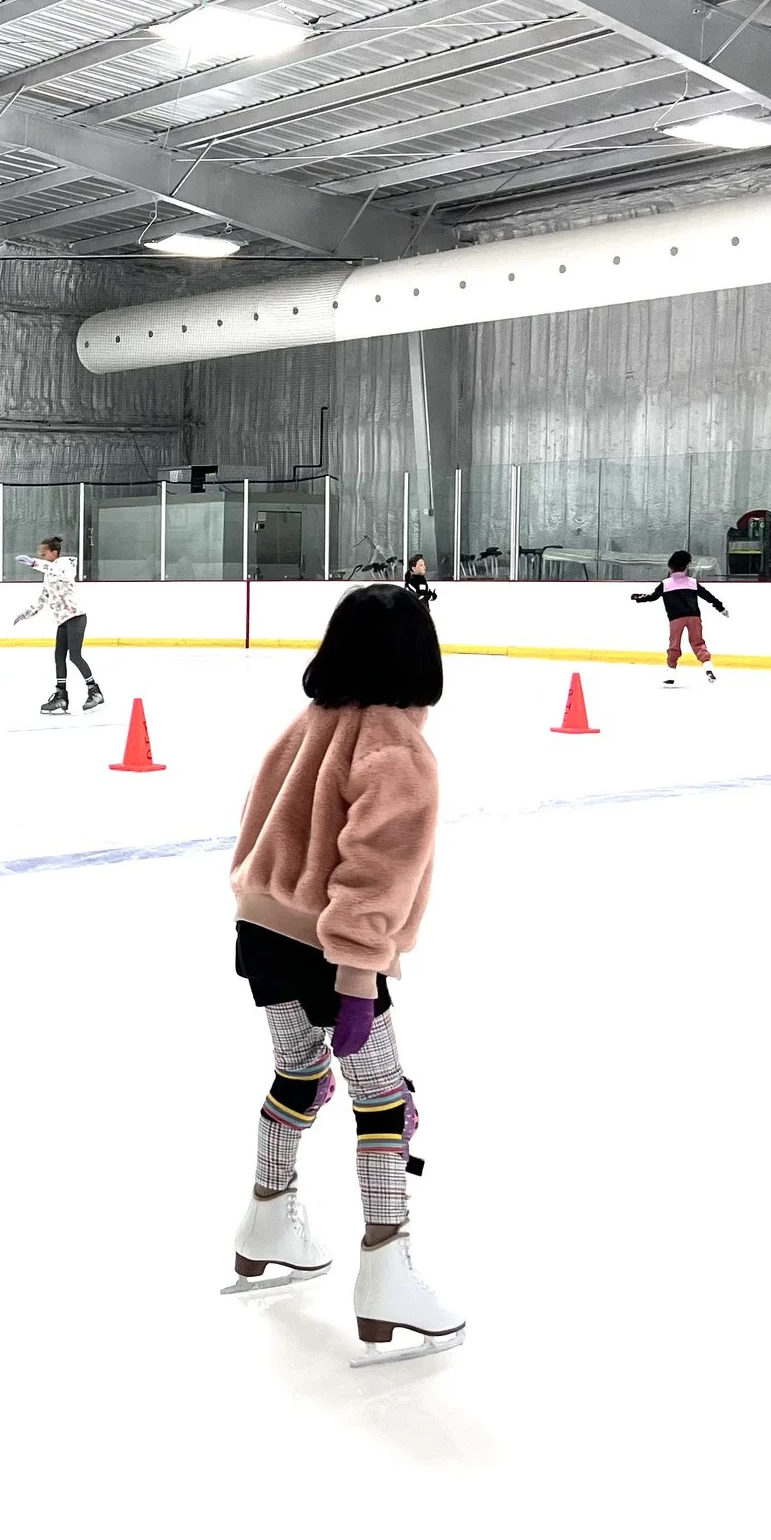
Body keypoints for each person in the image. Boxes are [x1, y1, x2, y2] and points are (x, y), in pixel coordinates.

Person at [224, 583, 461, 1366]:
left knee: (298, 1071)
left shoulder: (306, 724)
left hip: (262, 929)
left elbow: (256, 823)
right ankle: (387, 1269)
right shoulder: (398, 749)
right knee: (384, 1097)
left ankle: (266, 1221)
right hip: (333, 952)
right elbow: (374, 875)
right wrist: (359, 980)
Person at [16, 536, 102, 714]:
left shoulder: (66, 565)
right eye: (39, 554)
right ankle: (61, 696)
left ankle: (95, 691)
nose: (41, 556)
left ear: (54, 552)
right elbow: (43, 599)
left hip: (76, 617)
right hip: (63, 620)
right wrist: (25, 614)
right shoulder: (49, 574)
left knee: (75, 656)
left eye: (43, 553)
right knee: (59, 656)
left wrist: (33, 563)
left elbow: (57, 570)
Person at [632, 549, 727, 685]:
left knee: (674, 645)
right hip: (694, 616)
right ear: (685, 567)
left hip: (676, 619)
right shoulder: (693, 582)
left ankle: (671, 673)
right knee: (698, 643)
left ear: (670, 567)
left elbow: (652, 597)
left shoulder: (665, 584)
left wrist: (638, 597)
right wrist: (721, 608)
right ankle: (708, 667)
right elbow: (708, 596)